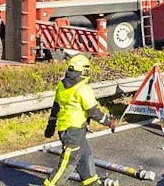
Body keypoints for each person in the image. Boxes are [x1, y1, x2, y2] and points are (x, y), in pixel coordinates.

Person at [43, 54, 118, 186]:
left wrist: (50, 126)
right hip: (74, 131)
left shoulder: (61, 85)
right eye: (86, 69)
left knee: (85, 156)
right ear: (82, 70)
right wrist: (108, 122)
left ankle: (92, 182)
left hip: (67, 128)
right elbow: (93, 111)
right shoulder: (83, 88)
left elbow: (55, 108)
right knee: (67, 164)